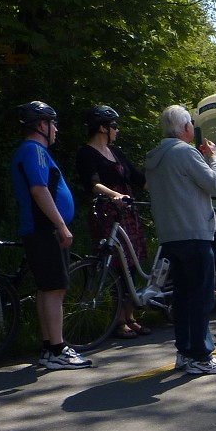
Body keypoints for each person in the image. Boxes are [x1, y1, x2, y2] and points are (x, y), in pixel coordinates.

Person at [144, 105, 216, 375]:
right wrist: (214, 158)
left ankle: (184, 352)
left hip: (170, 236)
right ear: (185, 129)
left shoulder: (155, 157)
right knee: (201, 296)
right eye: (191, 122)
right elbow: (215, 185)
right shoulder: (185, 152)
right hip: (195, 233)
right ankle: (201, 356)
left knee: (181, 296)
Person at [11, 101, 92, 370]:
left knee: (48, 289)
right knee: (55, 289)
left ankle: (49, 347)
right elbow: (39, 190)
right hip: (45, 229)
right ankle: (58, 349)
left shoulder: (32, 151)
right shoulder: (34, 151)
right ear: (42, 125)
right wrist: (61, 225)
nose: (56, 129)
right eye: (53, 123)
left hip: (41, 229)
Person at [75, 105, 149, 340]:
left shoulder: (116, 152)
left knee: (132, 262)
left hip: (127, 213)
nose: (117, 130)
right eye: (114, 126)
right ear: (102, 128)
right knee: (116, 264)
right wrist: (114, 195)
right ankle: (118, 320)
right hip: (107, 212)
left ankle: (130, 316)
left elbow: (138, 178)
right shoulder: (86, 153)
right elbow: (93, 184)